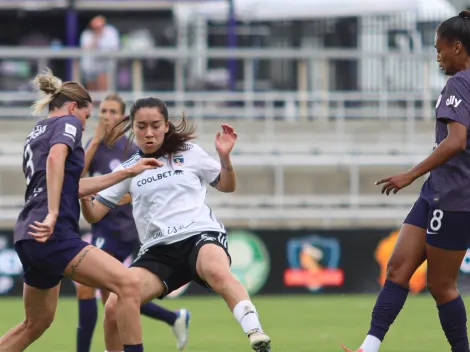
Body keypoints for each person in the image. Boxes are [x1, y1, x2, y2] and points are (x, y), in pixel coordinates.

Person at [79, 96, 272, 352]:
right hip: (159, 251)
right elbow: (93, 215)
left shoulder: (189, 153)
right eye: (141, 126)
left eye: (155, 125)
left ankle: (255, 331)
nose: (149, 133)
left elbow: (227, 186)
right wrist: (82, 195)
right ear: (133, 128)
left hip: (199, 235)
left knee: (216, 270)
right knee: (115, 305)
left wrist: (225, 159)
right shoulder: (128, 169)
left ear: (167, 125)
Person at [0, 69, 160, 352]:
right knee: (127, 285)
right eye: (87, 117)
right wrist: (52, 212)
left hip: (28, 233)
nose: (85, 126)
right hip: (52, 232)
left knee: (35, 323)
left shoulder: (37, 132)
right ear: (74, 108)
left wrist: (127, 172)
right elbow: (56, 158)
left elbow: (73, 185)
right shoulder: (68, 123)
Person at [342, 10, 470, 352]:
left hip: (455, 198)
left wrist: (410, 174)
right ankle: (368, 348)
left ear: (457, 47)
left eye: (439, 48)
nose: (437, 56)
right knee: (397, 268)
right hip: (437, 193)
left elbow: (456, 141)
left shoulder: (459, 83)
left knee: (441, 285)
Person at [75, 93, 190, 352]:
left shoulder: (131, 149)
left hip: (122, 228)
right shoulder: (94, 147)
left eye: (113, 112)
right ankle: (173, 318)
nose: (107, 117)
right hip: (100, 225)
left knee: (87, 287)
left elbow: (144, 185)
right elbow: (76, 179)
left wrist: (112, 199)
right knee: (113, 295)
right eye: (103, 111)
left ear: (123, 119)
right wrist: (93, 142)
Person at [80, 15, 120, 91]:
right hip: (90, 68)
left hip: (106, 67)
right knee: (92, 93)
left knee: (104, 92)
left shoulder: (111, 31)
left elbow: (114, 48)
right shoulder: (87, 34)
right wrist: (96, 36)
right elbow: (86, 49)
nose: (98, 27)